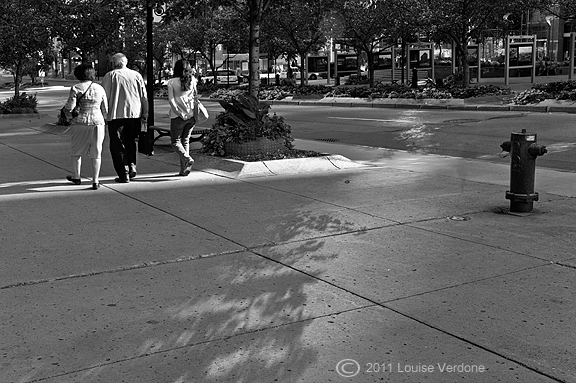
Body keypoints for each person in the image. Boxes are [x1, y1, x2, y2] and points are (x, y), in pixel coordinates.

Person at [102, 53, 148, 183]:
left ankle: (124, 173)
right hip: (134, 114)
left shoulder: (110, 76)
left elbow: (104, 97)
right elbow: (144, 96)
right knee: (131, 141)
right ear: (126, 62)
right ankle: (132, 164)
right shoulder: (136, 75)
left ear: (113, 63)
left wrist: (104, 115)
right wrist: (145, 113)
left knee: (117, 145)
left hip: (115, 115)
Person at [62, 63, 108, 190]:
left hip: (80, 122)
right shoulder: (100, 88)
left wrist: (68, 117)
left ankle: (77, 177)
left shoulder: (76, 88)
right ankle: (95, 180)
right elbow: (105, 109)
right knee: (96, 152)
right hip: (98, 122)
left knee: (76, 151)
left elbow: (69, 107)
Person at [166, 59, 198, 176]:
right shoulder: (193, 80)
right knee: (185, 140)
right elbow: (195, 97)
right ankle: (183, 170)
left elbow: (171, 100)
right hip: (192, 115)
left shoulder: (171, 82)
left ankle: (187, 158)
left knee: (175, 141)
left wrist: (179, 112)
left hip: (178, 116)